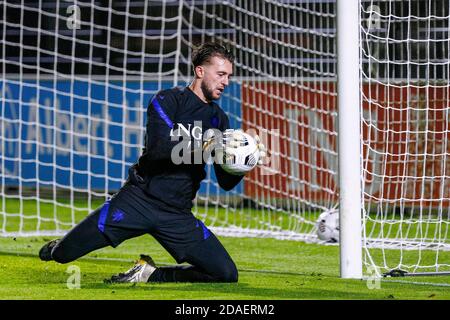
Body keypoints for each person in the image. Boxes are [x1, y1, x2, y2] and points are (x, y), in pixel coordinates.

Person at [39, 42, 265, 283]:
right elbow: (158, 149)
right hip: (137, 201)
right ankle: (59, 247)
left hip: (177, 214)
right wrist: (206, 146)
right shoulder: (168, 100)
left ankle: (149, 274)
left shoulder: (218, 119)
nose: (226, 82)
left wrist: (244, 162)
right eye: (221, 74)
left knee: (225, 274)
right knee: (63, 254)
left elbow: (226, 182)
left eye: (229, 76)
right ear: (200, 71)